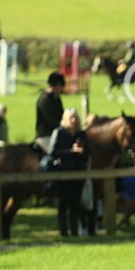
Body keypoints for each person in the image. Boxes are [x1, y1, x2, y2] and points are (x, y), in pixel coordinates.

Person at [48, 108, 90, 237]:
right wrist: (71, 151)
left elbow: (88, 153)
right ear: (65, 119)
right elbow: (52, 152)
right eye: (70, 117)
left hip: (78, 174)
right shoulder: (59, 132)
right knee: (63, 205)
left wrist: (82, 152)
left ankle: (75, 232)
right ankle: (64, 233)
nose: (73, 120)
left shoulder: (81, 135)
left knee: (75, 205)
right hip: (63, 174)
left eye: (75, 117)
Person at [35, 72, 65, 153]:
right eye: (61, 86)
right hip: (45, 136)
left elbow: (62, 116)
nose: (62, 89)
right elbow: (51, 122)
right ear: (56, 86)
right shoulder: (45, 100)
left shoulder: (57, 98)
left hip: (56, 134)